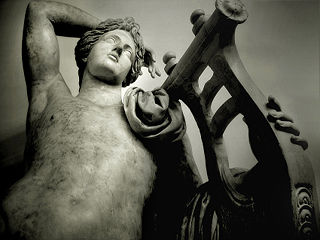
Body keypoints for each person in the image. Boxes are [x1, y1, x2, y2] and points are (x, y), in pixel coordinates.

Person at [0, 1, 308, 240]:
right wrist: (118, 29)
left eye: (129, 52)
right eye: (110, 41)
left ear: (132, 71)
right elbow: (40, 12)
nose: (120, 48)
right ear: (87, 46)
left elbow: (196, 209)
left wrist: (270, 163)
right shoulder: (50, 97)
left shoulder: (152, 125)